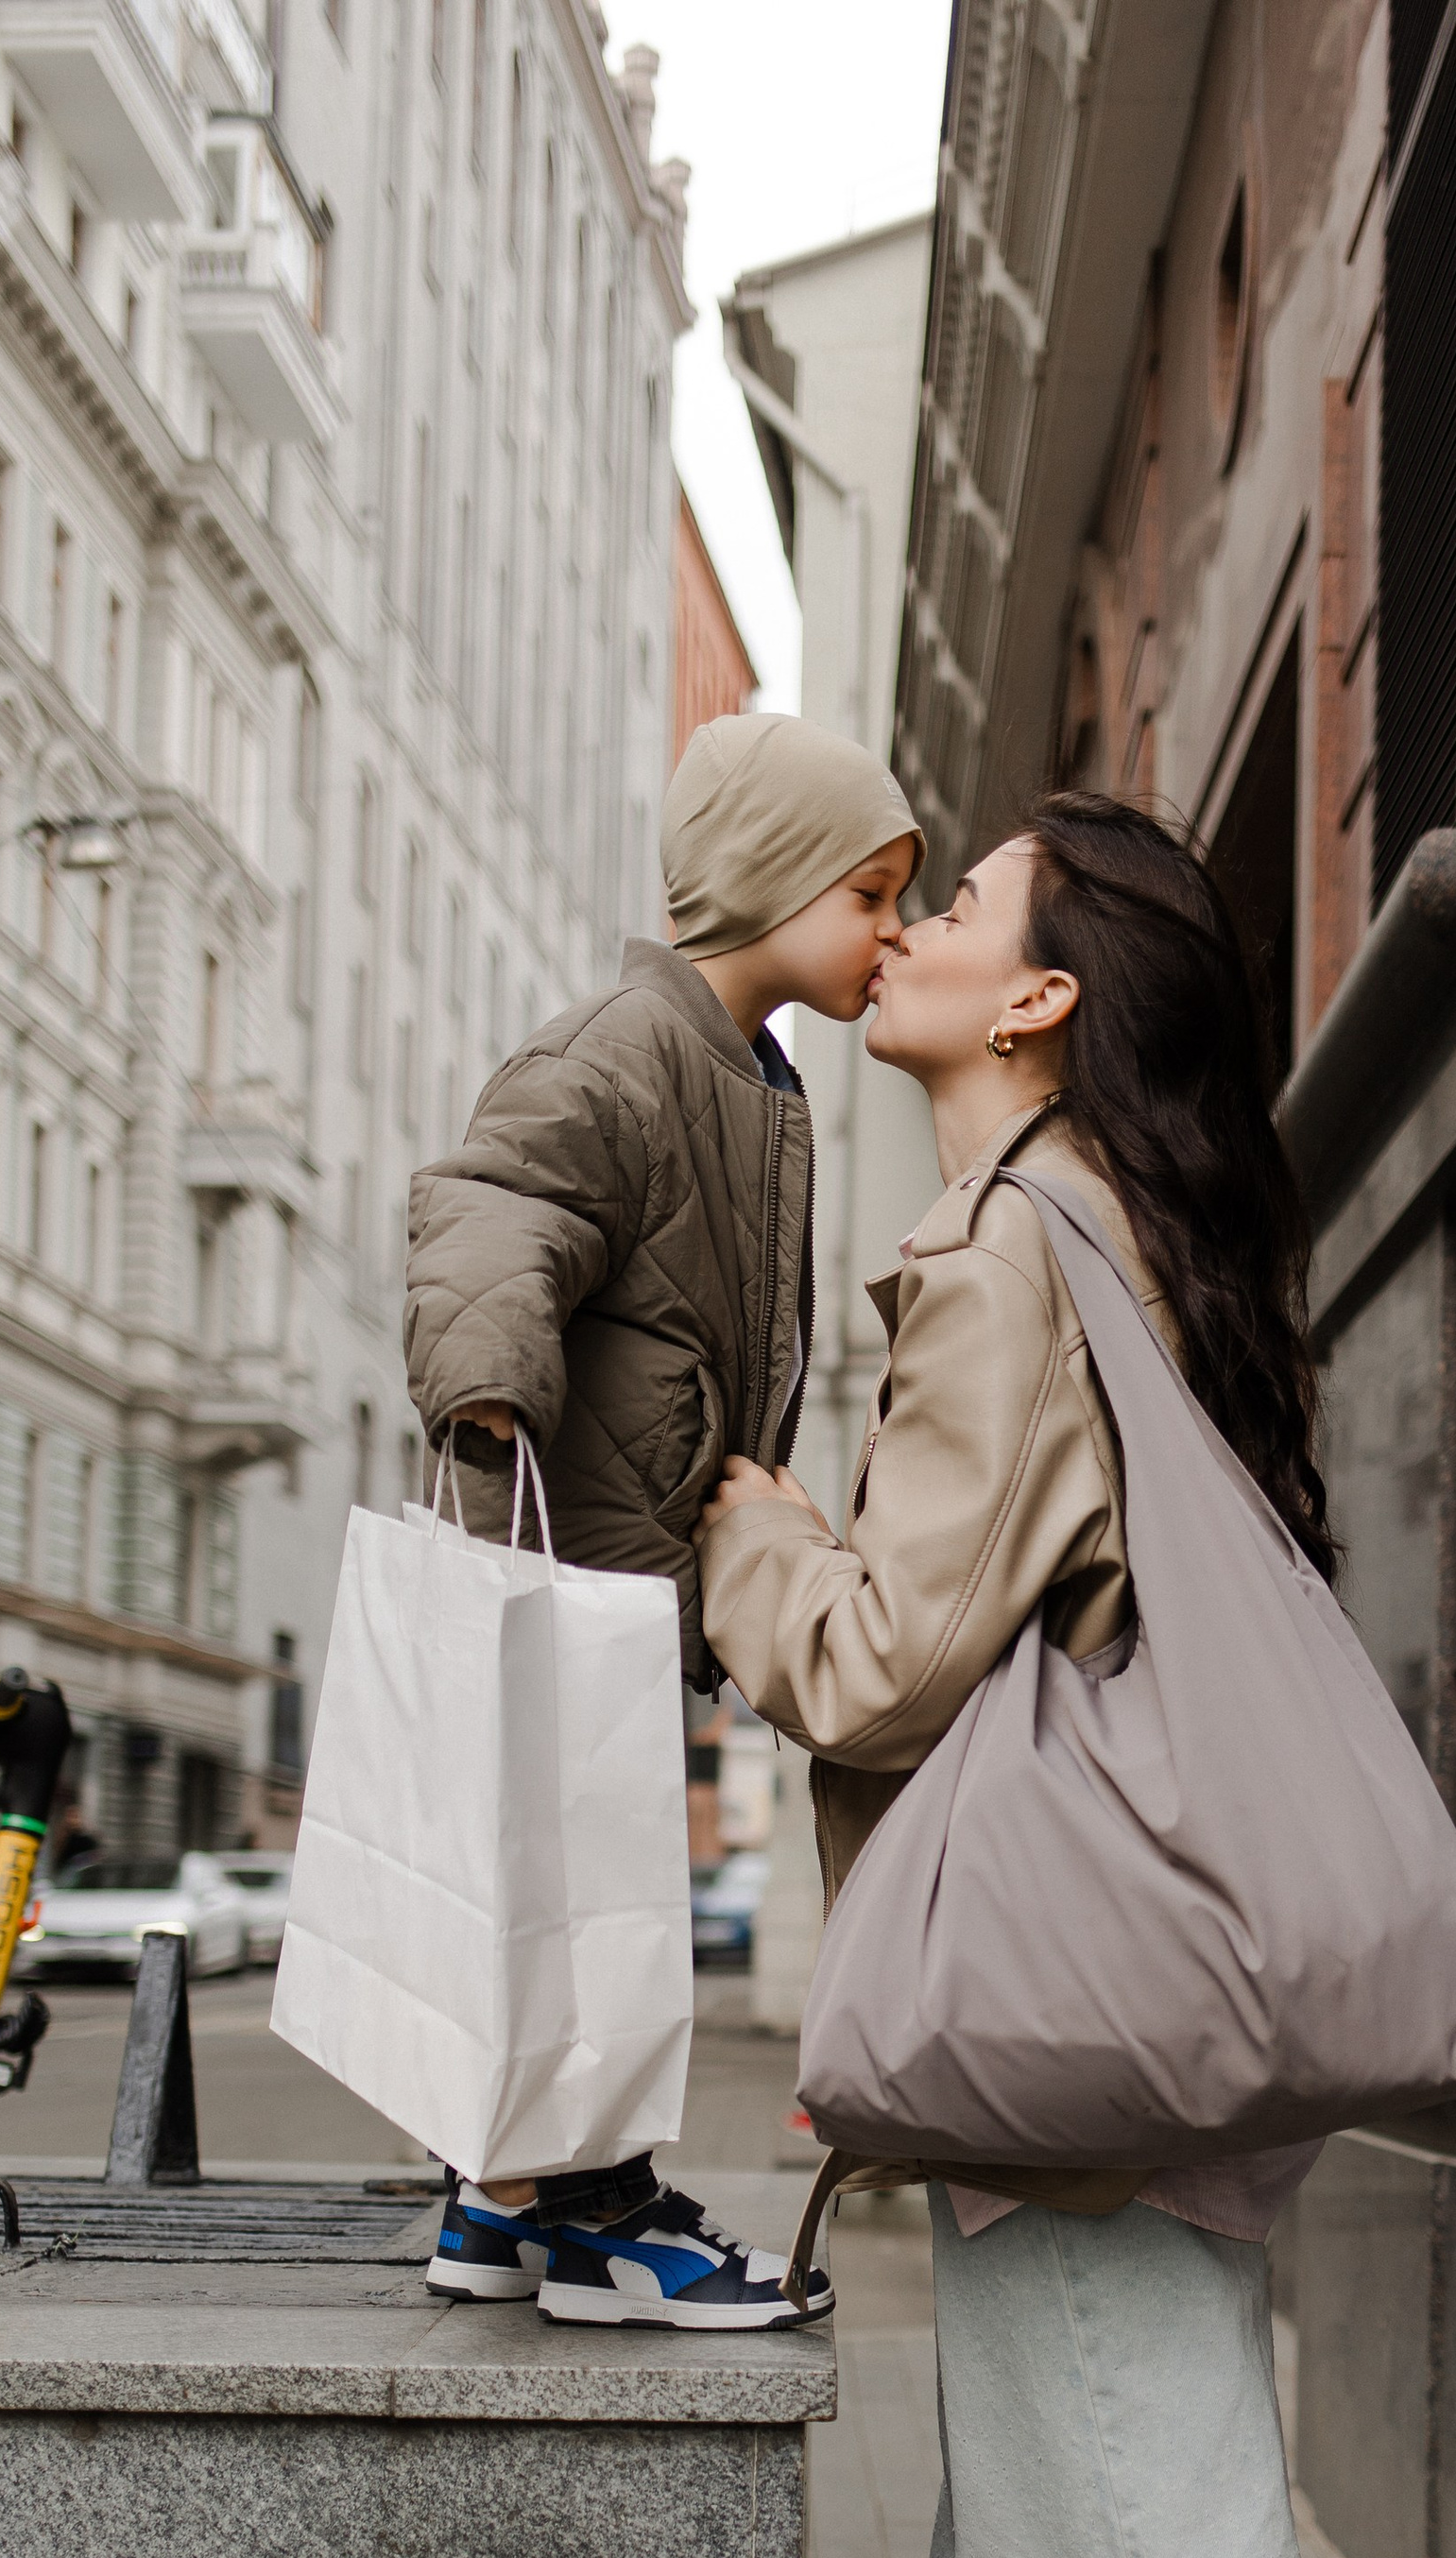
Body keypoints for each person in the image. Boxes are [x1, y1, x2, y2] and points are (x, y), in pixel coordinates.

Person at [694, 794, 1418, 2558]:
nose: (898, 931)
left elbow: (885, 1657)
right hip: (1084, 2066)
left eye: (956, 907)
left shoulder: (1017, 1247)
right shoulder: (1112, 1239)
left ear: (1036, 1002)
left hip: (1074, 2083)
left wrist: (747, 1533)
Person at [403, 712, 920, 2328]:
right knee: (597, 1900)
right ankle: (601, 2217)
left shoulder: (752, 1075)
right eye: (872, 895)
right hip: (567, 1552)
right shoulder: (624, 1048)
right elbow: (492, 1205)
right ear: (771, 881)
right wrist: (489, 1380)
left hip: (635, 1558)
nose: (894, 932)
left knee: (583, 1886)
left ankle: (499, 2201)